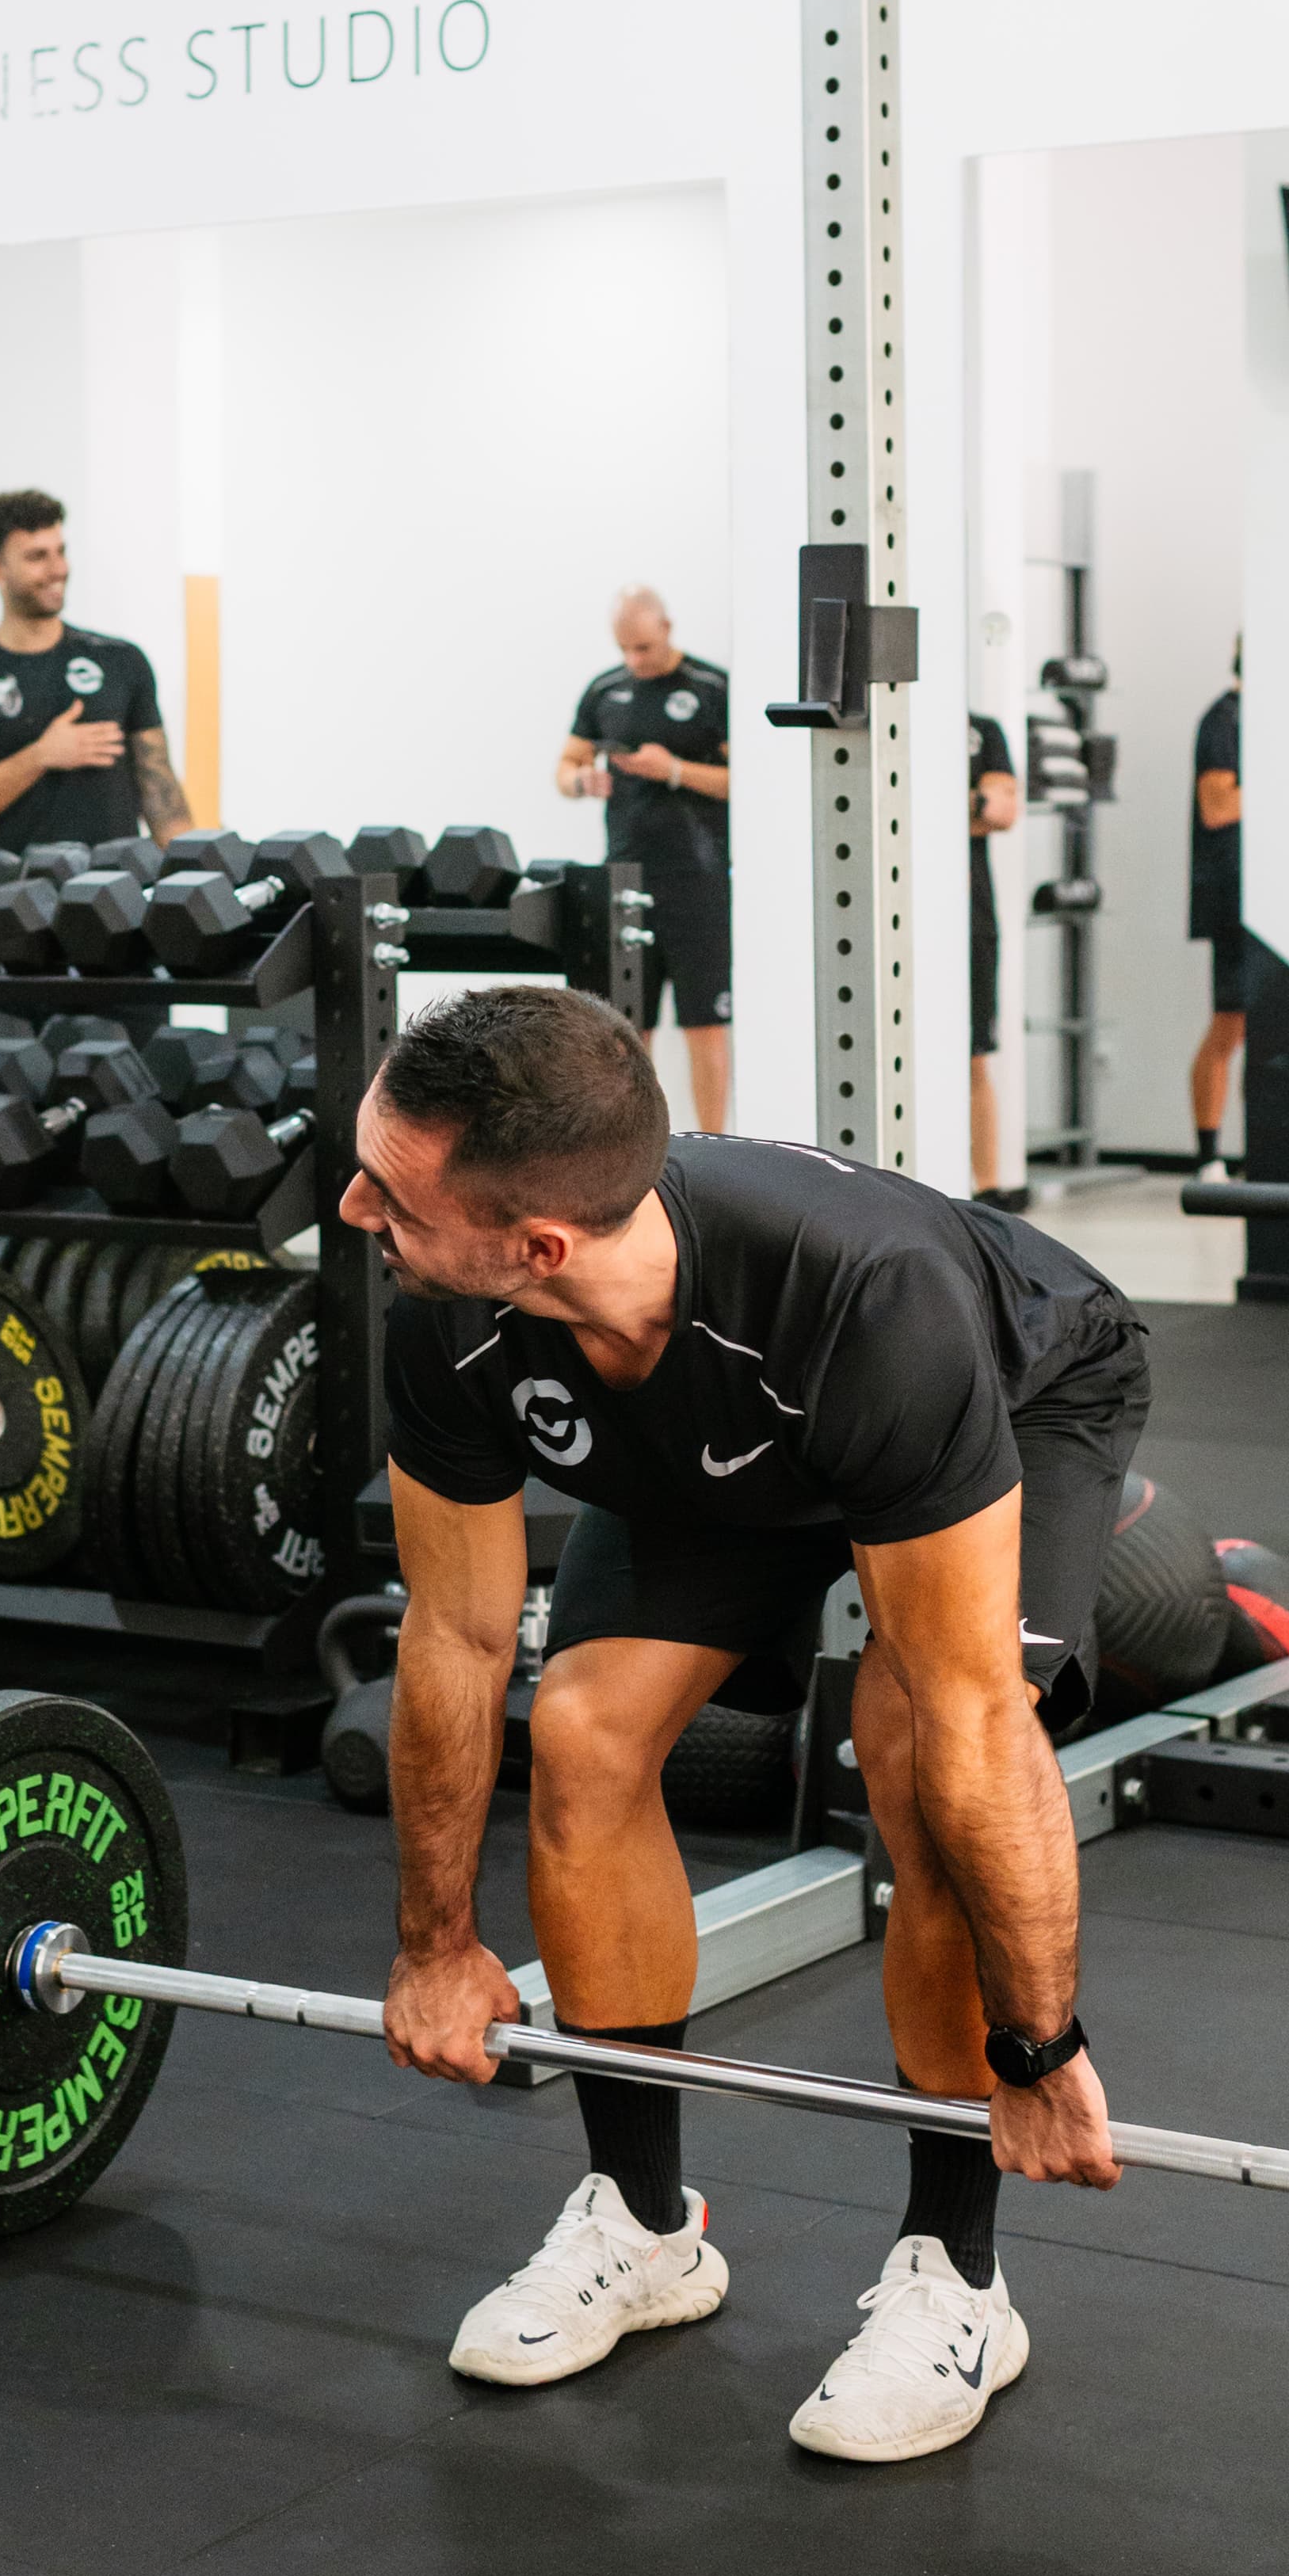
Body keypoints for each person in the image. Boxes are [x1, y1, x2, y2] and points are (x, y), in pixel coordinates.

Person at [345, 987, 1146, 2466]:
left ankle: (957, 2272)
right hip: (722, 1432)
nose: (351, 1208)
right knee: (582, 1730)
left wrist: (1041, 2050)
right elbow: (455, 1638)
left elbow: (978, 1724)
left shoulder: (870, 1300)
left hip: (1000, 1394)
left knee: (912, 1750)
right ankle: (646, 2225)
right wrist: (435, 1944)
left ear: (540, 1245)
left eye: (389, 1191)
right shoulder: (448, 1320)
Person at [0, 489, 182, 856]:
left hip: (121, 898)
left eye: (60, 551)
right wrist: (40, 756)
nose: (57, 569)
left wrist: (193, 879)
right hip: (14, 901)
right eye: (37, 557)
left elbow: (163, 798)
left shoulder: (121, 661)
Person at [555, 589, 731, 1129]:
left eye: (645, 647)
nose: (636, 659)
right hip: (625, 879)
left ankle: (713, 1145)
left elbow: (745, 780)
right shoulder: (605, 690)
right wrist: (581, 781)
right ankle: (638, 1146)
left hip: (696, 879)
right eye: (626, 649)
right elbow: (566, 765)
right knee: (626, 1029)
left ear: (669, 627)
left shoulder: (711, 687)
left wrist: (675, 770)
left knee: (704, 1023)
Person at [1188, 653, 1243, 1170]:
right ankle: (1208, 1156)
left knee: (1262, 1032)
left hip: (1267, 904)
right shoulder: (1224, 719)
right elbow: (1218, 806)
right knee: (1228, 1025)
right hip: (1232, 898)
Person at [967, 713, 1018, 1199]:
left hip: (971, 917)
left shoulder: (982, 729)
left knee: (973, 1057)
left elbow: (1002, 811)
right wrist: (974, 803)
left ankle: (988, 1190)